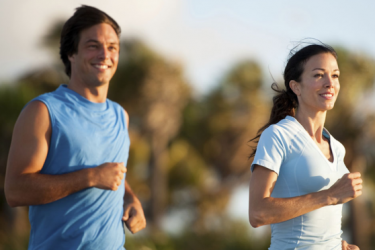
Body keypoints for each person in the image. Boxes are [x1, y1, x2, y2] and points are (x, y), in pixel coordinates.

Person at [4, 5, 146, 250]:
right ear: (71, 53)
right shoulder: (44, 111)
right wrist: (90, 177)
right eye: (93, 46)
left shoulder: (120, 115)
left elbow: (113, 173)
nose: (105, 55)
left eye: (112, 47)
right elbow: (15, 191)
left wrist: (130, 198)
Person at [248, 43, 362, 250]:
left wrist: (338, 245)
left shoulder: (337, 147)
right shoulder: (278, 136)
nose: (330, 83)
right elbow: (258, 213)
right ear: (296, 86)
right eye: (319, 75)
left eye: (335, 75)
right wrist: (330, 195)